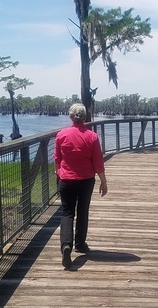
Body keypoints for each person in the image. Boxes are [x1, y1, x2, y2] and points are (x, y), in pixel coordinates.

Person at [54, 103, 108, 269]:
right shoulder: (92, 137)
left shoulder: (61, 135)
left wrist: (58, 174)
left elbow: (57, 158)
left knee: (67, 212)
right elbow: (98, 161)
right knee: (82, 211)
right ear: (85, 117)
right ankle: (80, 244)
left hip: (66, 179)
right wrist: (103, 182)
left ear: (71, 117)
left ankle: (66, 246)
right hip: (86, 180)